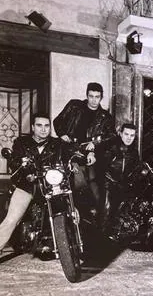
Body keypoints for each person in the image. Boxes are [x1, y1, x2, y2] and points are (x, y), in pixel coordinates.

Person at [0, 113, 73, 254]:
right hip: (27, 186)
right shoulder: (21, 142)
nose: (43, 129)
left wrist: (85, 155)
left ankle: (69, 250)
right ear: (33, 127)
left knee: (69, 213)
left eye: (46, 126)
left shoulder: (57, 143)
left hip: (51, 187)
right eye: (39, 125)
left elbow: (71, 153)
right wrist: (22, 166)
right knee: (12, 219)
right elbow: (14, 161)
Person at [53, 82, 115, 206]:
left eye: (97, 97)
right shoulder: (74, 106)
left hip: (89, 154)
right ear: (86, 95)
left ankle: (89, 214)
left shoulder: (105, 117)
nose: (94, 100)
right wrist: (62, 133)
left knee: (92, 185)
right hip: (68, 149)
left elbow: (111, 137)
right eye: (91, 96)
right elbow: (57, 120)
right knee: (68, 184)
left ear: (101, 98)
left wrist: (95, 144)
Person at [95, 123, 140, 236]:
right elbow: (100, 168)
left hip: (123, 184)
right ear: (120, 134)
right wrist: (109, 181)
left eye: (132, 135)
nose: (129, 138)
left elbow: (136, 168)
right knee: (107, 206)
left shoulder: (133, 150)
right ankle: (102, 236)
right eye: (126, 134)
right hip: (108, 182)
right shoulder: (109, 146)